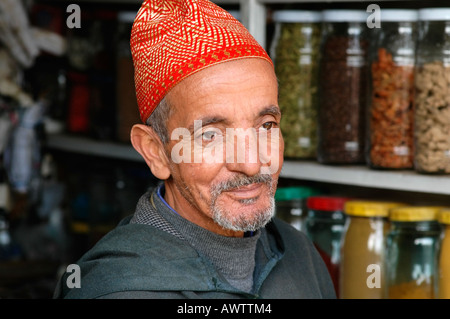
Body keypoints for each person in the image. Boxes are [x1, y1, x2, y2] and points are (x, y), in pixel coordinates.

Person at [54, 0, 336, 299]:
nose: (252, 164)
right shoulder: (118, 292)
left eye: (266, 125)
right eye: (211, 135)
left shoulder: (299, 254)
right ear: (156, 152)